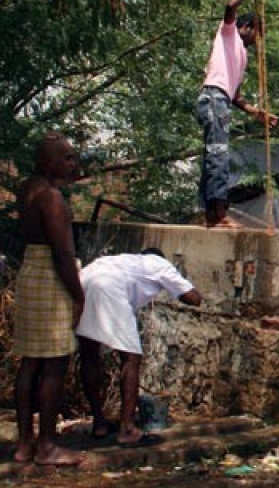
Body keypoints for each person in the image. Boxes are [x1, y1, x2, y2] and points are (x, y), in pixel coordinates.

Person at [76, 249, 203, 447]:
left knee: (89, 354)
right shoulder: (158, 263)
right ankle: (127, 428)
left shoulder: (122, 261)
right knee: (131, 358)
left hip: (83, 280)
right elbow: (193, 298)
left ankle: (99, 423)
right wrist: (191, 292)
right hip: (110, 287)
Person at [12, 132, 86, 466]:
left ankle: (25, 443)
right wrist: (78, 295)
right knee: (54, 364)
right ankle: (46, 446)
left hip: (30, 271)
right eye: (67, 157)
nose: (74, 162)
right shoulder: (52, 198)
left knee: (30, 362)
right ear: (47, 162)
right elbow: (62, 253)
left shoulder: (27, 189)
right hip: (49, 277)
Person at [197, 0, 277, 228]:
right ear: (245, 27)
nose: (257, 39)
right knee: (218, 155)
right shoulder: (228, 34)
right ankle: (218, 215)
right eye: (256, 32)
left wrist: (257, 112)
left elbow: (236, 97)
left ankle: (210, 214)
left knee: (214, 155)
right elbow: (230, 5)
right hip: (212, 98)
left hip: (222, 100)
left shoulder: (241, 58)